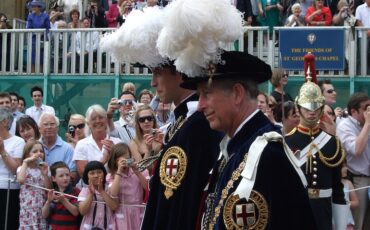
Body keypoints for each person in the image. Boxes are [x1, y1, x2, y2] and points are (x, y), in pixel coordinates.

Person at [100, 6, 222, 229]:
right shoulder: (184, 122)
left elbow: (187, 201)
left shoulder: (197, 125)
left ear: (179, 72)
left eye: (157, 73)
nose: (153, 82)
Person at [179, 51, 316, 229]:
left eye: (206, 94)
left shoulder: (268, 153)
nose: (200, 105)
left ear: (237, 94)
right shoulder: (235, 149)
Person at [285, 75, 346, 230]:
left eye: (316, 107)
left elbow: (337, 189)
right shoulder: (286, 142)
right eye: (306, 107)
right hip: (295, 211)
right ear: (298, 108)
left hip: (323, 211)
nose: (311, 112)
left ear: (321, 108)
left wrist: (340, 227)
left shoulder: (332, 142)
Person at [336, 92, 370, 230]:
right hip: (358, 181)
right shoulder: (345, 126)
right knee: (358, 222)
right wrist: (368, 124)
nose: (369, 111)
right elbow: (357, 149)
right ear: (353, 111)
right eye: (366, 108)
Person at [107, 143, 149, 229]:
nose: (125, 161)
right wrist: (119, 171)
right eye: (122, 159)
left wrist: (136, 171)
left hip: (138, 210)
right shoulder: (111, 176)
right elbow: (113, 193)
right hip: (122, 212)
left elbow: (147, 188)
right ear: (115, 160)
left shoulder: (140, 169)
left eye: (127, 157)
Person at [73, 104, 122, 179]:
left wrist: (114, 153)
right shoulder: (81, 145)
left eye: (101, 117)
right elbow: (84, 174)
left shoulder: (118, 143)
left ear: (106, 120)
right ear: (88, 123)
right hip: (91, 189)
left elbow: (125, 170)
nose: (98, 121)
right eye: (93, 119)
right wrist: (103, 160)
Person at [0, 107, 25, 230]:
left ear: (4, 122)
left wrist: (2, 150)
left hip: (8, 190)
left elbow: (15, 168)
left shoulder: (18, 141)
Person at [17, 139, 51, 229]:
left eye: (41, 151)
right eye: (35, 151)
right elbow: (21, 180)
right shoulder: (22, 168)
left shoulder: (44, 169)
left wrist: (45, 174)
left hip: (41, 208)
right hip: (27, 209)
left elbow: (48, 188)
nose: (39, 153)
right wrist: (25, 162)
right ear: (27, 154)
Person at [78, 161, 118, 229]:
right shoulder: (85, 190)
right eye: (92, 173)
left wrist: (102, 191)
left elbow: (114, 207)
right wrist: (91, 194)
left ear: (104, 174)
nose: (96, 175)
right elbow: (82, 211)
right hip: (89, 226)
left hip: (108, 226)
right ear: (87, 176)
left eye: (99, 172)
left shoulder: (110, 188)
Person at [38, 112, 77, 182]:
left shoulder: (67, 148)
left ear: (57, 128)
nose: (49, 127)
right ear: (39, 128)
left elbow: (72, 174)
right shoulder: (34, 146)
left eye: (52, 124)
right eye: (45, 124)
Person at [42, 161, 80, 230]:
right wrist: (48, 201)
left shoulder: (76, 191)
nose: (65, 178)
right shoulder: (53, 192)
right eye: (61, 176)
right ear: (54, 178)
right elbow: (44, 215)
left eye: (67, 175)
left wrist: (63, 200)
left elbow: (76, 212)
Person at [26, 0, 50, 72]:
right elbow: (29, 28)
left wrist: (43, 33)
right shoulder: (30, 16)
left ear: (39, 7)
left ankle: (42, 75)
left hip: (43, 39)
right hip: (33, 40)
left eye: (34, 6)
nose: (33, 8)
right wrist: (35, 33)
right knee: (33, 58)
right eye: (32, 6)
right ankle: (33, 75)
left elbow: (48, 28)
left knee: (42, 58)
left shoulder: (45, 16)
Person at [341, 161, 359, 230]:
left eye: (346, 166)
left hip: (347, 221)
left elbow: (356, 202)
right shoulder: (329, 185)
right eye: (342, 167)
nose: (346, 169)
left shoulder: (348, 183)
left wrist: (347, 203)